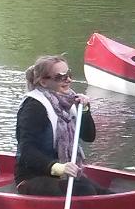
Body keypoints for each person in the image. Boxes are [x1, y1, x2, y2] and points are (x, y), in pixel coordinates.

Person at [15, 55, 109, 197]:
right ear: (44, 82)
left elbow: (89, 137)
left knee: (105, 193)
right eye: (60, 77)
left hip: (62, 175)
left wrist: (84, 110)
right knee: (86, 191)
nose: (68, 80)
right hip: (32, 178)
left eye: (68, 74)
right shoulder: (34, 107)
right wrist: (58, 167)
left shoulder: (68, 101)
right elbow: (27, 151)